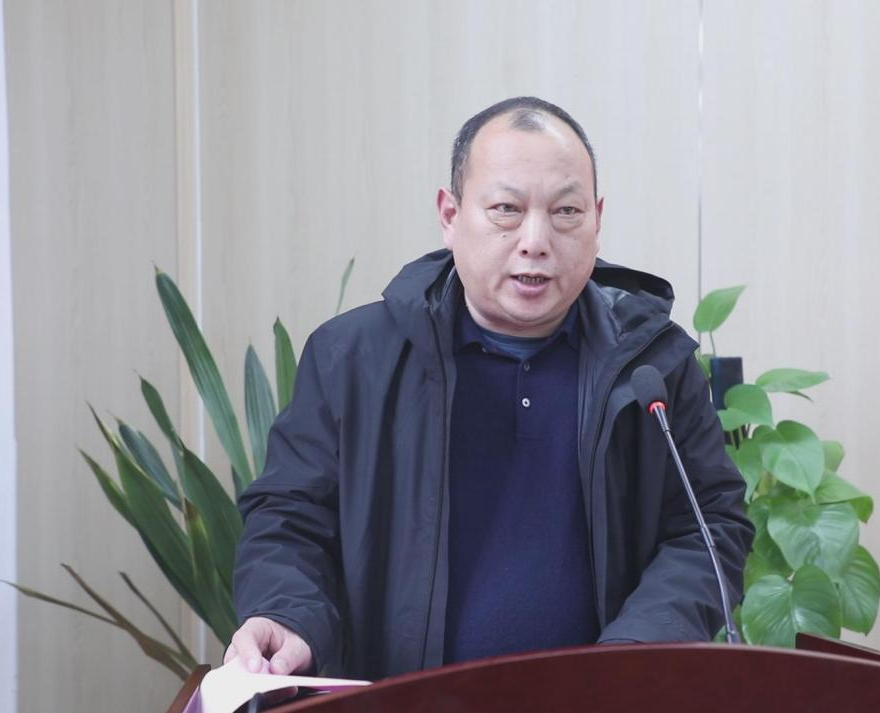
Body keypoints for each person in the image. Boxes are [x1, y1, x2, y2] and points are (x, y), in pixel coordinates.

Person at [224, 96, 753, 680]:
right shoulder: (352, 359)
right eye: (506, 209)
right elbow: (290, 519)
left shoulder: (654, 364)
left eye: (566, 211)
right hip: (402, 698)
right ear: (450, 215)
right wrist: (287, 614)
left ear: (597, 220)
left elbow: (710, 525)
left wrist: (635, 651)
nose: (536, 240)